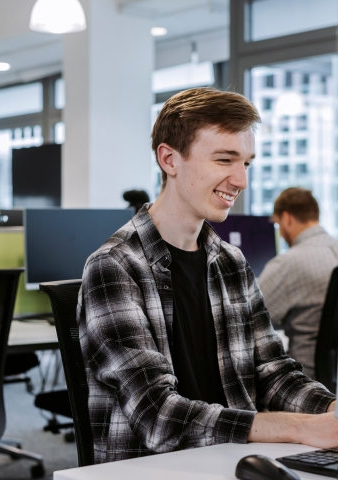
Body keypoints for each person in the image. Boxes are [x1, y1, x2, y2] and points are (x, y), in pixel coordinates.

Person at [77, 87, 337, 465]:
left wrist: (330, 410)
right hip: (152, 469)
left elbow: (273, 372)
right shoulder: (114, 267)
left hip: (235, 458)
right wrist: (298, 427)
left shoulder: (231, 262)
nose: (241, 180)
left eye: (246, 163)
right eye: (224, 159)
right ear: (169, 159)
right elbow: (158, 416)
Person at [258, 187, 338, 379]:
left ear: (287, 218)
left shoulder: (287, 264)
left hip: (303, 384)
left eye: (277, 224)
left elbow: (249, 317)